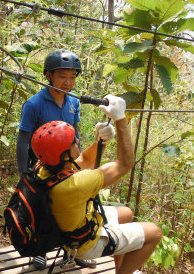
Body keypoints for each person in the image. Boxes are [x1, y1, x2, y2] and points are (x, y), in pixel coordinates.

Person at [30, 95, 162, 274]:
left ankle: (119, 269)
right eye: (73, 141)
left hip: (66, 231)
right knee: (154, 232)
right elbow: (124, 164)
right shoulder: (76, 184)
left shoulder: (43, 169)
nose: (77, 140)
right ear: (65, 156)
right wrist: (120, 119)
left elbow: (83, 159)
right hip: (84, 245)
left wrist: (101, 142)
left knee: (126, 213)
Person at [16, 50, 115, 269]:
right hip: (41, 166)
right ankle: (40, 251)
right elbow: (23, 140)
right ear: (49, 75)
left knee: (75, 209)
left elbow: (75, 133)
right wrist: (24, 173)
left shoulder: (73, 102)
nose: (68, 82)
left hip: (67, 164)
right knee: (42, 210)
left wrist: (77, 162)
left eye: (72, 77)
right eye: (62, 76)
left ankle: (71, 251)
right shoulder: (34, 104)